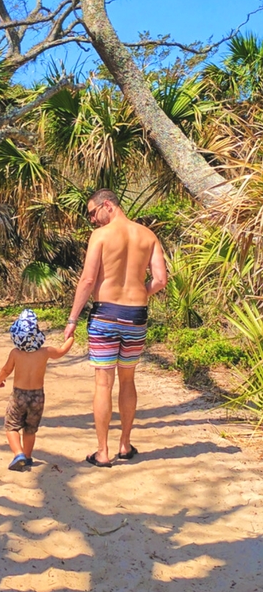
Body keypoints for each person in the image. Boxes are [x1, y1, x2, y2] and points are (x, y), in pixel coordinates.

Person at [64, 189, 168, 467]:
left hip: (106, 315)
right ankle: (124, 444)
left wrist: (72, 319)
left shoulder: (100, 236)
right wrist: (139, 293)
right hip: (136, 316)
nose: (92, 221)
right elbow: (160, 279)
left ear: (107, 206)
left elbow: (87, 280)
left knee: (103, 382)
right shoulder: (148, 236)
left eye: (92, 214)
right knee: (128, 379)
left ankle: (103, 452)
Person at [0, 308, 75, 472]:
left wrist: (0, 379)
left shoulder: (15, 353)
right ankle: (27, 456)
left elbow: (6, 370)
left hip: (19, 395)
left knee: (11, 427)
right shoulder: (45, 352)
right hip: (37, 396)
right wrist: (71, 338)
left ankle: (18, 453)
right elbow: (62, 351)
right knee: (30, 429)